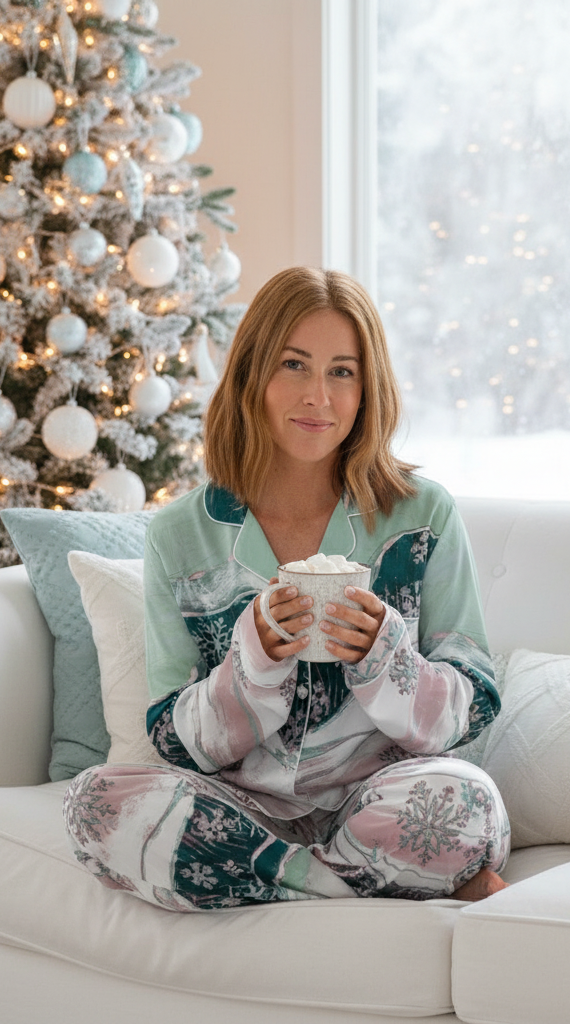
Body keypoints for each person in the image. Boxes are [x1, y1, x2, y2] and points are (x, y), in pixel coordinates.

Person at [63, 266, 510, 909]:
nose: (318, 397)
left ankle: (268, 882)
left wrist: (385, 658)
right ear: (253, 373)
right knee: (94, 806)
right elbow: (174, 740)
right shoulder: (181, 535)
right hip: (240, 807)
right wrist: (253, 664)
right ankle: (349, 885)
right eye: (294, 365)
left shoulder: (423, 516)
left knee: (467, 802)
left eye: (342, 371)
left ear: (368, 388)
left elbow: (474, 706)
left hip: (382, 799)